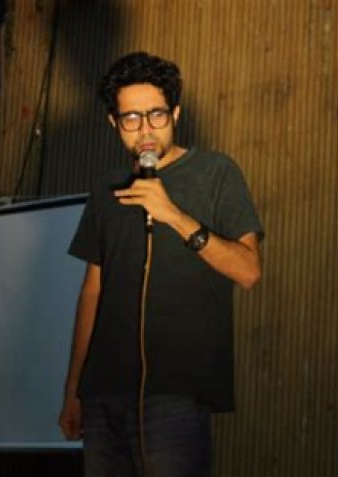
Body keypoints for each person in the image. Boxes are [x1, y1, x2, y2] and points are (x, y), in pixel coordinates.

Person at [57, 51, 264, 477]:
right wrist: (74, 387)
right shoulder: (106, 189)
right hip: (103, 394)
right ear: (114, 123)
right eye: (131, 118)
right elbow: (93, 291)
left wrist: (173, 215)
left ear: (176, 113)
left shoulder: (215, 172)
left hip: (176, 393)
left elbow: (248, 271)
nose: (146, 130)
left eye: (156, 115)